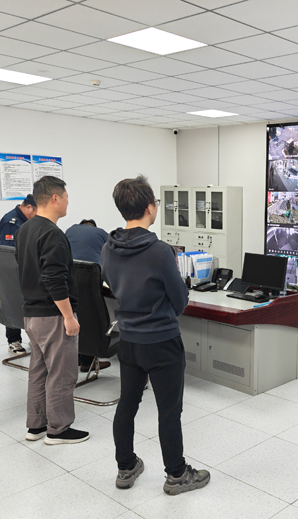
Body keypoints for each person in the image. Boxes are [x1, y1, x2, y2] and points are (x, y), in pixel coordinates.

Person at [102, 175, 209, 495]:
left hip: (129, 340)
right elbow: (179, 300)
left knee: (127, 404)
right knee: (169, 410)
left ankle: (125, 467)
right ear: (150, 207)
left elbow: (112, 285)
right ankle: (176, 474)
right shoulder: (160, 251)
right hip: (162, 341)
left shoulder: (108, 247)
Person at [15, 176, 89, 445]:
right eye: (66, 196)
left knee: (39, 371)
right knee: (62, 373)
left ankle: (36, 425)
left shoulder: (25, 229)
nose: (68, 201)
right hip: (53, 315)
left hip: (32, 315)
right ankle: (58, 429)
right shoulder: (53, 234)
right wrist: (68, 316)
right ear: (55, 198)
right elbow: (54, 279)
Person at [65, 219, 111, 373]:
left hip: (67, 277)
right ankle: (88, 361)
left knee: (77, 315)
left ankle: (79, 357)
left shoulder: (70, 230)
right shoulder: (102, 234)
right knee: (91, 316)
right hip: (90, 277)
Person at [0, 194, 36, 355]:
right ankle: (13, 341)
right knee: (12, 303)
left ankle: (33, 335)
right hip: (13, 270)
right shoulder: (11, 222)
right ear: (28, 207)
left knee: (26, 304)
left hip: (26, 269)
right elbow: (10, 252)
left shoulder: (25, 220)